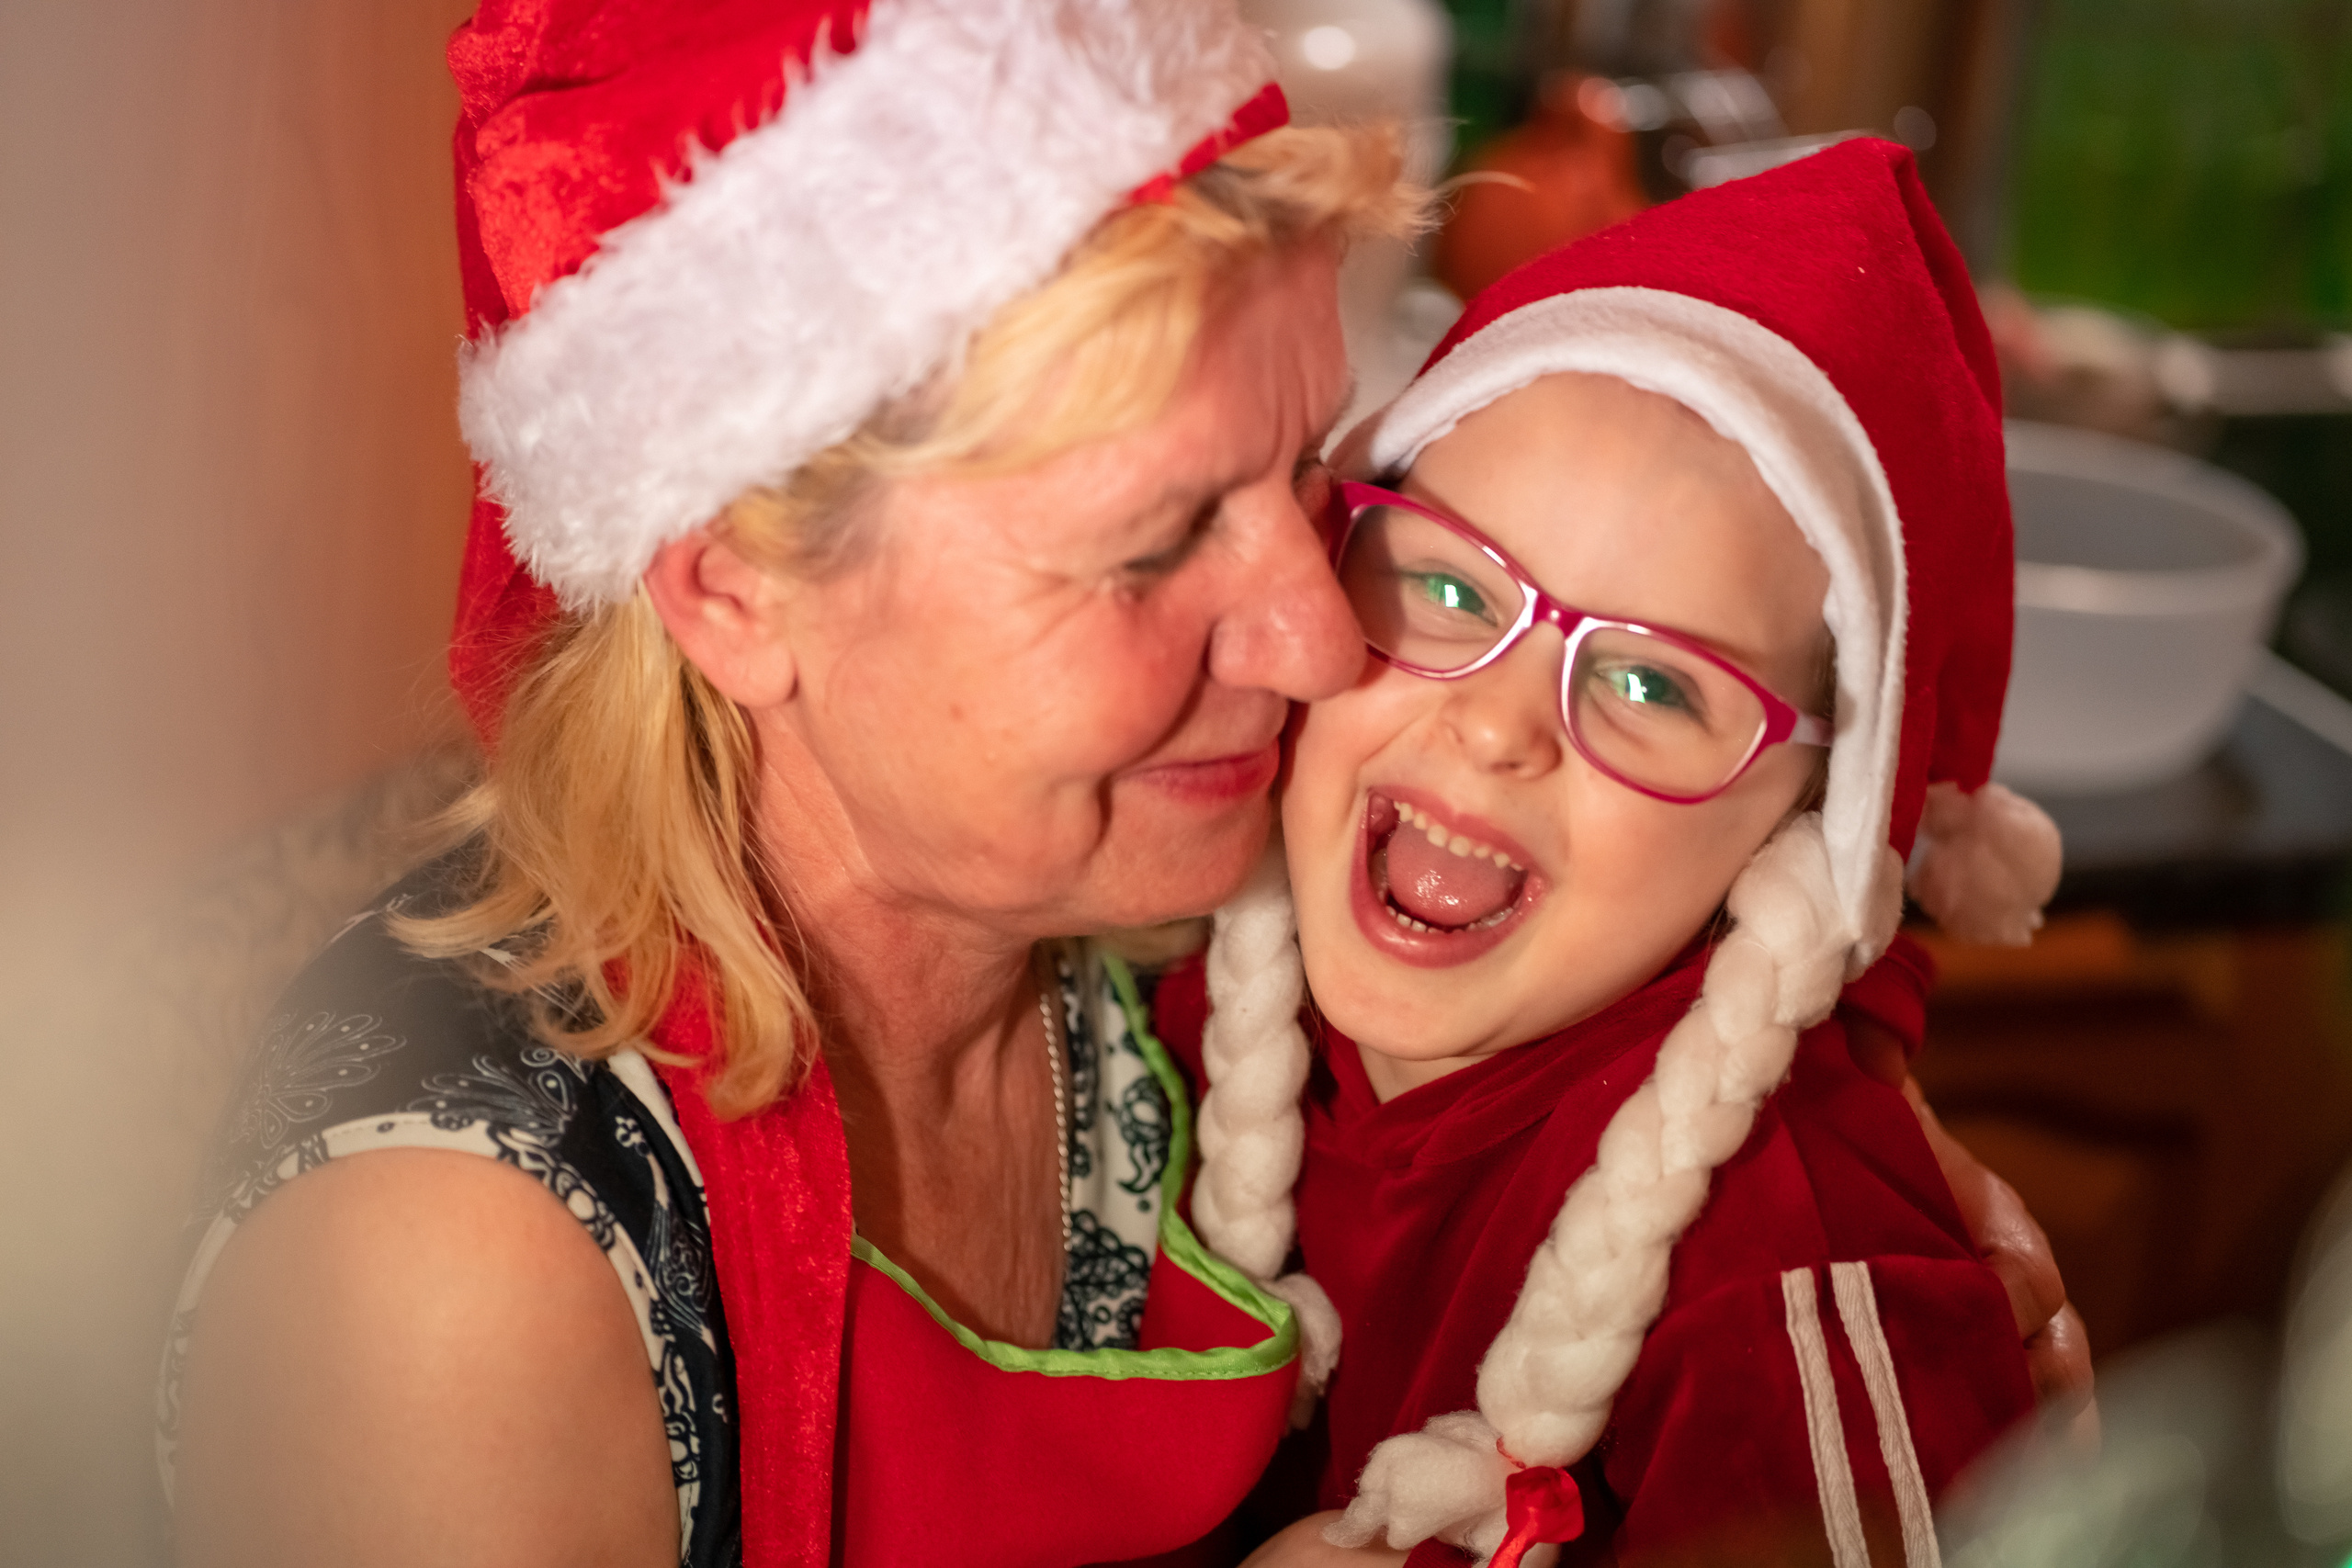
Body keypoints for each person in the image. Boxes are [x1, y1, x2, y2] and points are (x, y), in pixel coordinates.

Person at [161, 2, 2078, 1562]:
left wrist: (1833, 1165)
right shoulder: (455, 1284)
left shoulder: (1162, 914)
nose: (1317, 641)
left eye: (1308, 476)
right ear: (735, 586)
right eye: (1154, 546)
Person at [1158, 140, 2086, 1566]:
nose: (1497, 727)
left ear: (1803, 817)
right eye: (1450, 587)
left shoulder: (1782, 1278)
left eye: (1654, 683)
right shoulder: (1160, 998)